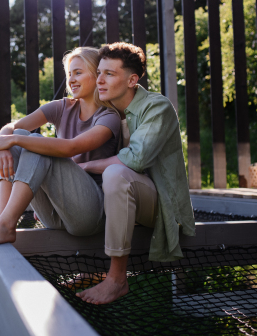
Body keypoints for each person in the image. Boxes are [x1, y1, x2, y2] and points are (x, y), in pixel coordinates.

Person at [75, 42, 195, 305]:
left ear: (132, 80)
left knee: (116, 174)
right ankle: (94, 268)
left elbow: (136, 159)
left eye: (109, 74)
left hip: (159, 204)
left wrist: (84, 167)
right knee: (108, 178)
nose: (100, 80)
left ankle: (117, 279)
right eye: (99, 72)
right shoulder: (106, 112)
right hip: (120, 200)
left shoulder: (157, 107)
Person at [0, 47, 120, 247]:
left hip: (90, 215)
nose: (71, 79)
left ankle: (5, 223)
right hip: (55, 214)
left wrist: (14, 140)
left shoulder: (109, 117)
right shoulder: (63, 107)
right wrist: (2, 144)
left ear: (97, 74)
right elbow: (12, 127)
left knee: (34, 143)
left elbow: (71, 148)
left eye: (78, 73)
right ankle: (2, 220)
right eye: (69, 74)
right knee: (19, 136)